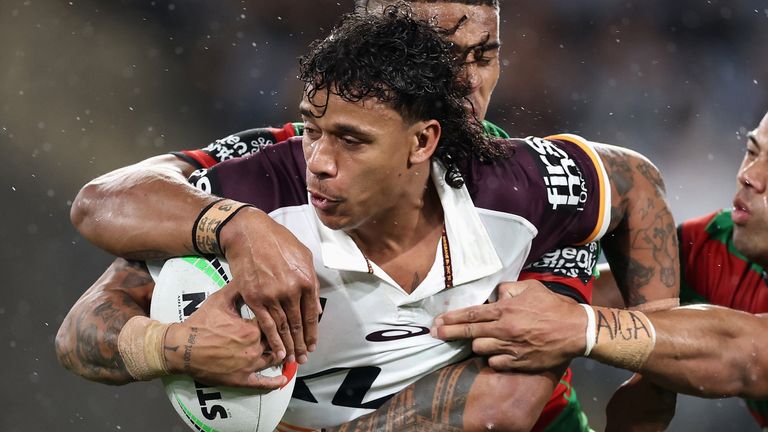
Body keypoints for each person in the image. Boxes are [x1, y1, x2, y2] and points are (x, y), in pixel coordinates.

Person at [58, 1, 678, 430]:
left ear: (423, 139)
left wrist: (650, 383)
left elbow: (503, 407)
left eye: (483, 54)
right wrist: (177, 335)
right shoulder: (269, 177)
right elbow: (97, 232)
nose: (462, 81)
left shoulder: (522, 189)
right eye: (434, 53)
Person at [431, 109, 768, 428]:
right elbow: (600, 298)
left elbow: (748, 357)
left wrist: (580, 328)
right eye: (752, 152)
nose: (748, 175)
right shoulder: (718, 243)